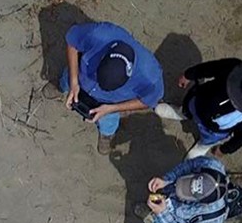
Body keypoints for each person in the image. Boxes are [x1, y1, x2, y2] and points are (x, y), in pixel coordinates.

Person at [43, 21, 164, 155]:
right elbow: (72, 41)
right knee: (66, 79)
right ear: (103, 58)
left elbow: (148, 101)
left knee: (108, 121)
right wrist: (73, 81)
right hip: (80, 77)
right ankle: (61, 86)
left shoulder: (151, 78)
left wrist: (112, 108)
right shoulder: (98, 34)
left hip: (109, 104)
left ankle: (106, 135)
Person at [155, 59, 242, 159]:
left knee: (208, 138)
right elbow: (210, 67)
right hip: (199, 101)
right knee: (188, 108)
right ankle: (181, 113)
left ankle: (203, 146)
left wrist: (224, 149)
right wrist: (189, 75)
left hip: (215, 131)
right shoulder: (234, 68)